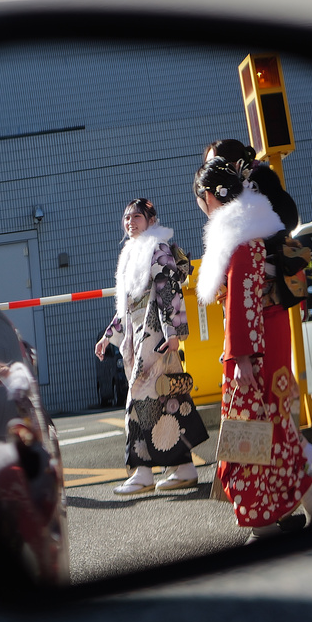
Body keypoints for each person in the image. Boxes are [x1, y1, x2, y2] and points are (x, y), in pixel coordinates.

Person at [194, 159, 312, 540]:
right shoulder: (263, 230)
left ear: (210, 197)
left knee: (246, 438)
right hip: (273, 339)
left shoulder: (239, 242)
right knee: (276, 427)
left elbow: (242, 305)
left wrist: (241, 358)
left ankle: (263, 521)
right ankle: (308, 489)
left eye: (202, 200)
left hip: (250, 350)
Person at [203, 139, 312, 474]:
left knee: (260, 406)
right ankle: (293, 475)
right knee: (274, 402)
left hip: (259, 319)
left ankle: (268, 488)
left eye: (216, 167)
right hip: (269, 314)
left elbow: (241, 295)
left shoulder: (244, 233)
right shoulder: (251, 213)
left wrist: (239, 353)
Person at [95, 198, 210, 495]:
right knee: (164, 400)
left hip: (155, 335)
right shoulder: (132, 252)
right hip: (140, 333)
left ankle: (142, 472)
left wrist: (173, 332)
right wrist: (109, 336)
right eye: (126, 218)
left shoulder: (157, 248)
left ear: (151, 220)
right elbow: (127, 305)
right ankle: (183, 468)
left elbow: (168, 289)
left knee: (139, 399)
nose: (130, 222)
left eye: (137, 217)